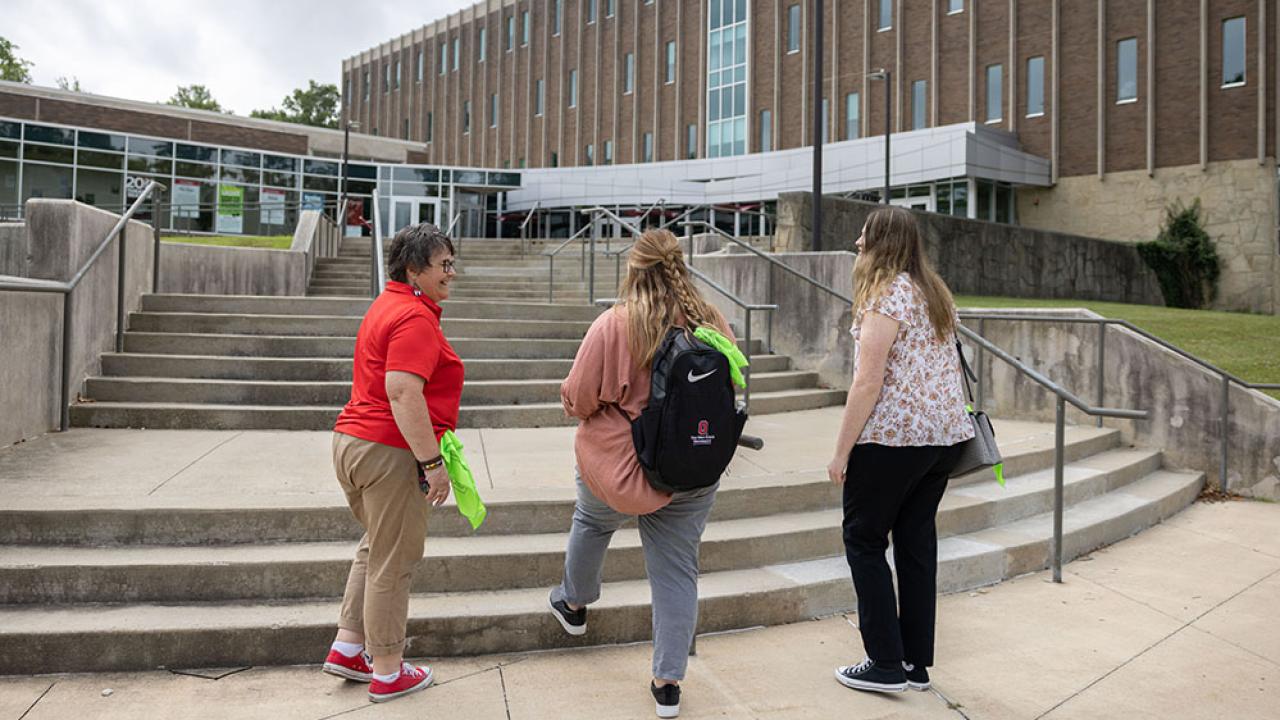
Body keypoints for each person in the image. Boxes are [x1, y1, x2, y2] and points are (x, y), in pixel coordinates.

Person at [548, 229, 736, 719]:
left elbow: (579, 399)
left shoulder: (615, 324)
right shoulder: (711, 320)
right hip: (693, 466)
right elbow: (731, 384)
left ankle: (574, 603)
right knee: (676, 571)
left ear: (633, 269)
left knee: (591, 522)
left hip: (619, 468)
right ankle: (668, 683)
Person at [827, 206, 974, 694]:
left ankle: (884, 663)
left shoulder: (887, 294)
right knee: (915, 544)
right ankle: (914, 663)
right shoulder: (934, 292)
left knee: (864, 541)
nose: (856, 243)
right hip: (942, 440)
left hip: (893, 439)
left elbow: (868, 382)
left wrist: (841, 451)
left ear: (881, 242)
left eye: (864, 235)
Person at [321, 223, 463, 704]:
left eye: (451, 263)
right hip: (389, 450)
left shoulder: (387, 305)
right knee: (394, 559)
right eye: (443, 264)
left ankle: (348, 646)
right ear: (413, 269)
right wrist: (432, 462)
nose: (452, 272)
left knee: (375, 546)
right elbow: (403, 391)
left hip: (354, 442)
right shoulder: (415, 317)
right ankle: (386, 669)